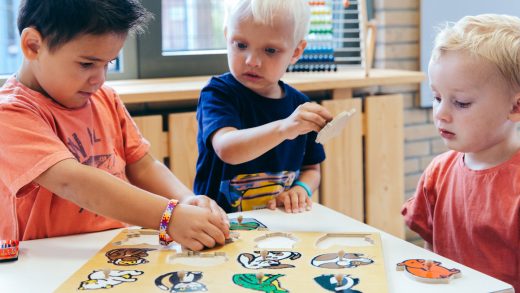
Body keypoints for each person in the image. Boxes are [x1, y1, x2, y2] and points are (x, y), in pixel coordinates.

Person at [0, 0, 229, 251]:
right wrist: (169, 216)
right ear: (33, 45)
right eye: (87, 64)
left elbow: (143, 165)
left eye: (108, 63)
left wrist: (187, 199)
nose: (99, 79)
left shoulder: (105, 97)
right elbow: (71, 181)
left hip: (114, 249)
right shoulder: (10, 112)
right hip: (48, 260)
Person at [401, 14, 520, 291]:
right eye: (437, 97)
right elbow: (428, 257)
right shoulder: (437, 173)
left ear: (515, 108)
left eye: (461, 103)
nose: (441, 114)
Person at [194, 0, 333, 214]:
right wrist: (285, 128)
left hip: (280, 226)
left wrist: (301, 188)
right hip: (219, 226)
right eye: (241, 45)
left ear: (296, 52)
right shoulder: (218, 93)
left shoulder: (299, 106)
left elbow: (312, 168)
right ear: (226, 36)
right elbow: (227, 148)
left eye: (270, 50)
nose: (252, 60)